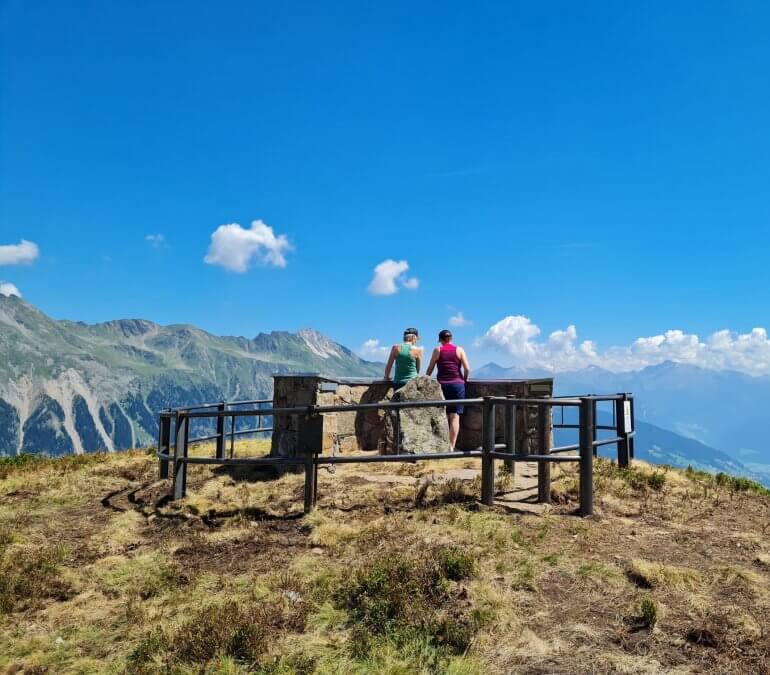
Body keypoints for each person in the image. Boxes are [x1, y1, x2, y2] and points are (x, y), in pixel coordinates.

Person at [426, 329, 471, 449]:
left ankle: (442, 445)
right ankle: (451, 446)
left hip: (442, 386)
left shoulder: (438, 350)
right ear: (451, 338)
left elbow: (430, 369)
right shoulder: (459, 350)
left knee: (443, 415)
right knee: (455, 416)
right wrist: (464, 380)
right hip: (457, 385)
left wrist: (425, 381)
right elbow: (467, 369)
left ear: (440, 340)